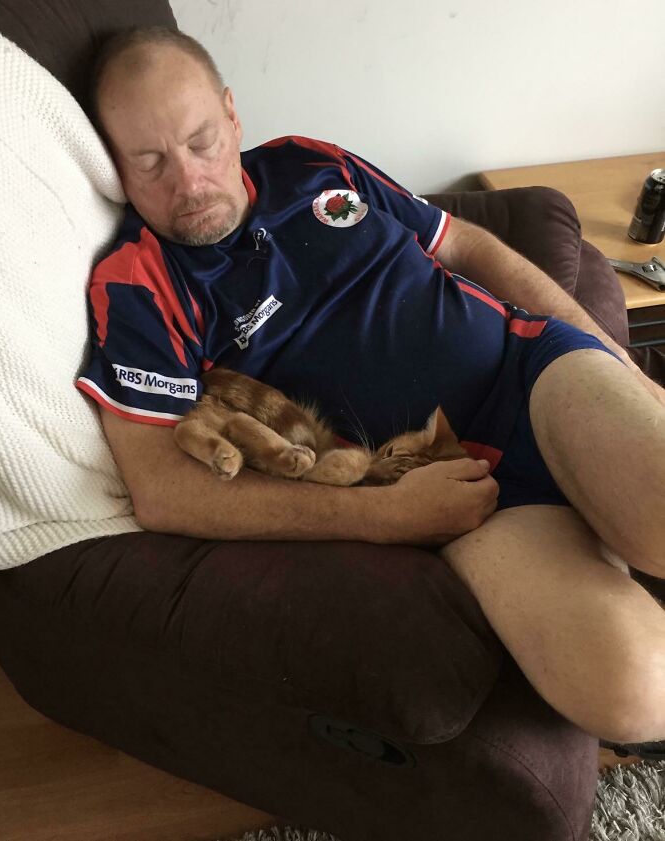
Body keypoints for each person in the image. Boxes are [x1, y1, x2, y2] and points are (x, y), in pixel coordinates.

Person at [75, 26, 665, 754]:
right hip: (450, 485)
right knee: (632, 691)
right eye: (150, 161)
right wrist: (390, 516)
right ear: (115, 167)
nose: (189, 183)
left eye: (201, 142)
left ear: (232, 116)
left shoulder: (311, 163)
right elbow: (161, 487)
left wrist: (626, 371)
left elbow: (465, 244)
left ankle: (617, 508)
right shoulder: (137, 280)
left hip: (534, 373)